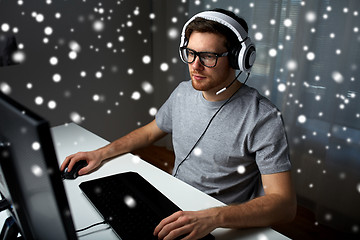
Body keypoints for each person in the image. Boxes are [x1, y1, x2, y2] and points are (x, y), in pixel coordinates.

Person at [61, 8, 296, 240]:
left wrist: (213, 217)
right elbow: (151, 130)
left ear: (237, 59)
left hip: (217, 222)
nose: (195, 65)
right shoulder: (183, 92)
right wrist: (100, 154)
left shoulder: (263, 117)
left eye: (208, 56)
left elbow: (285, 205)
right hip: (171, 202)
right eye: (190, 53)